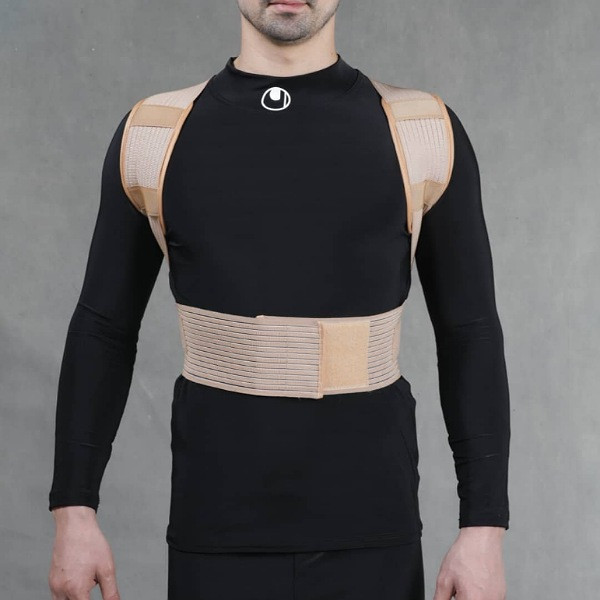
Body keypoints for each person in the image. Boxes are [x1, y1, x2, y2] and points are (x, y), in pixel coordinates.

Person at [47, 1, 510, 599]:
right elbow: (103, 329)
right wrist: (74, 510)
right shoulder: (153, 136)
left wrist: (483, 527)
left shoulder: (423, 132)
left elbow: (469, 332)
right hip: (215, 535)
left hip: (373, 534)